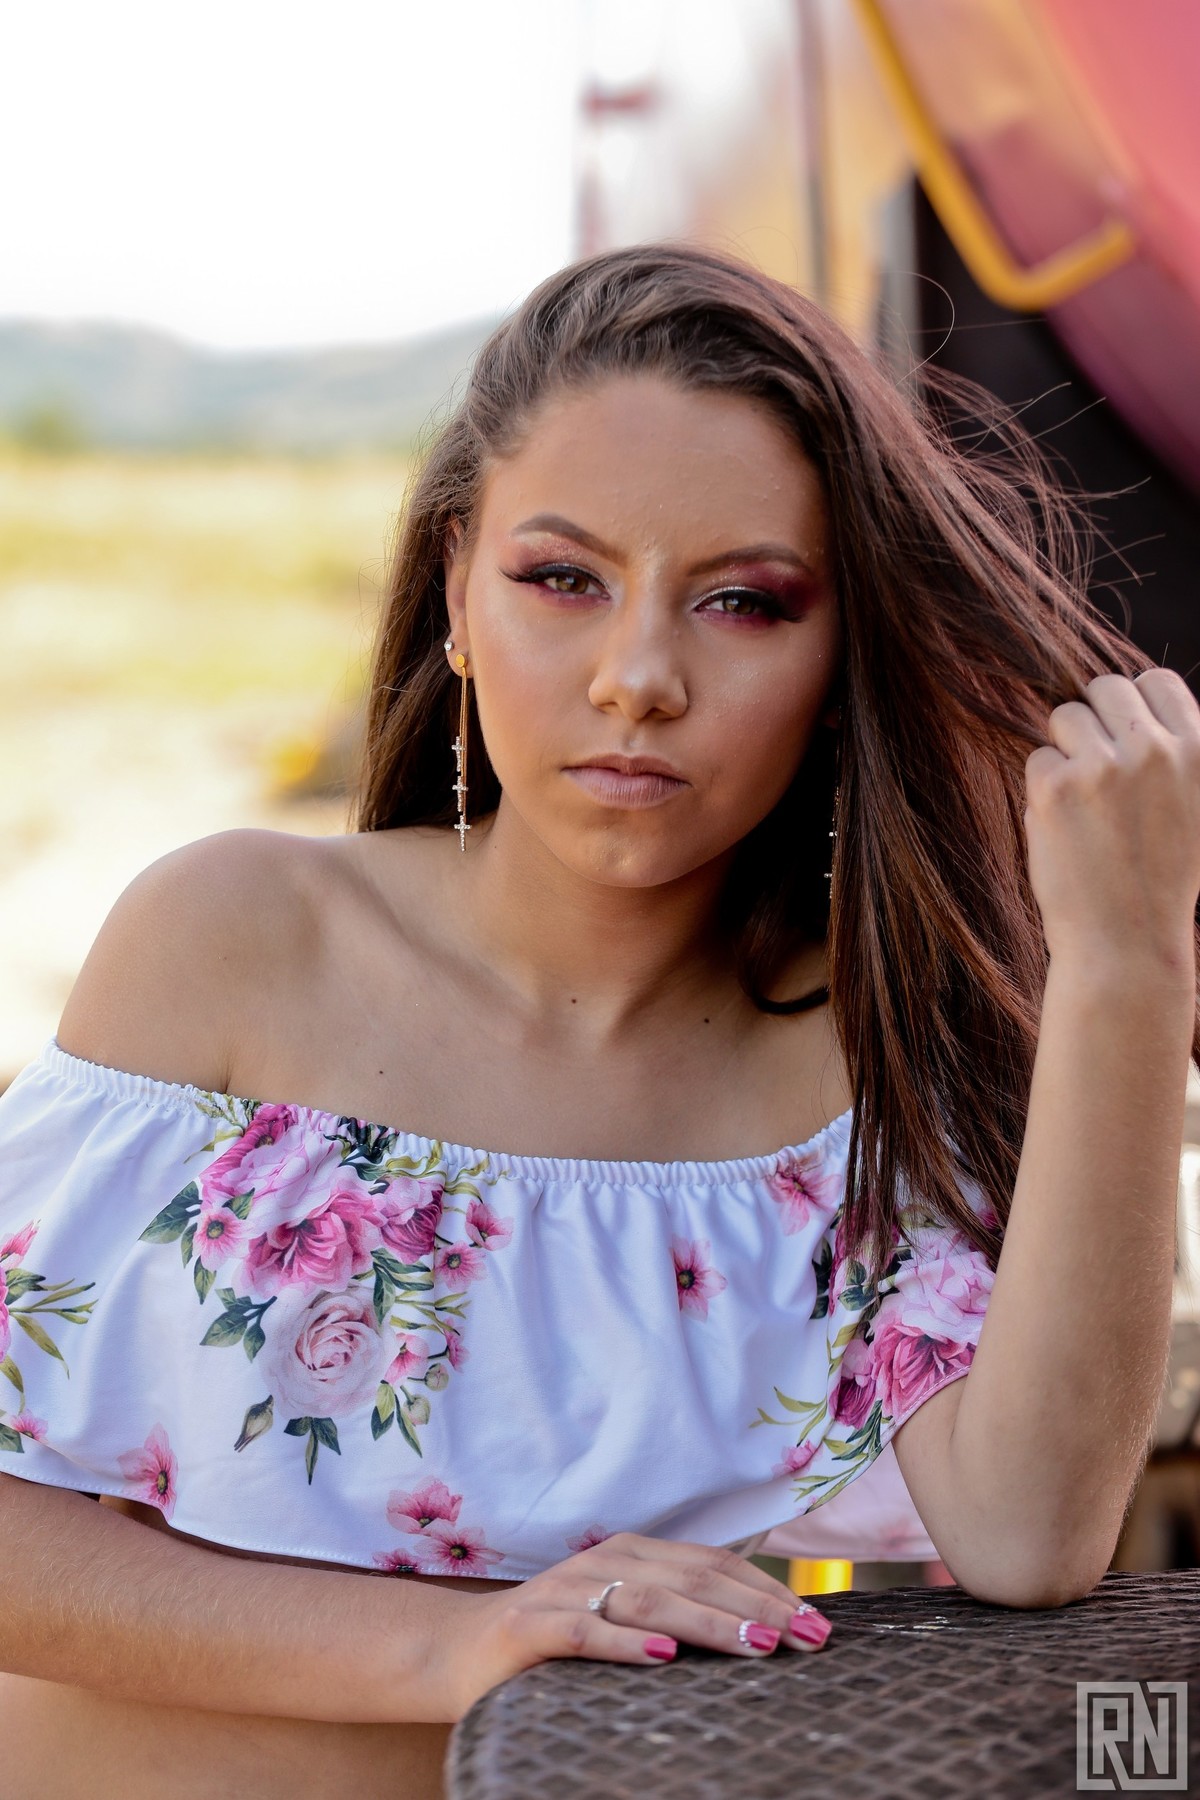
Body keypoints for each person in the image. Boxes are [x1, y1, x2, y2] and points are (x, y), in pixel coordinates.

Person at [1, 242, 1197, 1800]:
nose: (638, 679)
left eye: (744, 602)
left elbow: (1032, 1533)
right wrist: (459, 1648)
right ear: (457, 591)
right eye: (562, 580)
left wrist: (1126, 966)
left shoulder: (859, 1075)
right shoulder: (234, 942)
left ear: (843, 653)